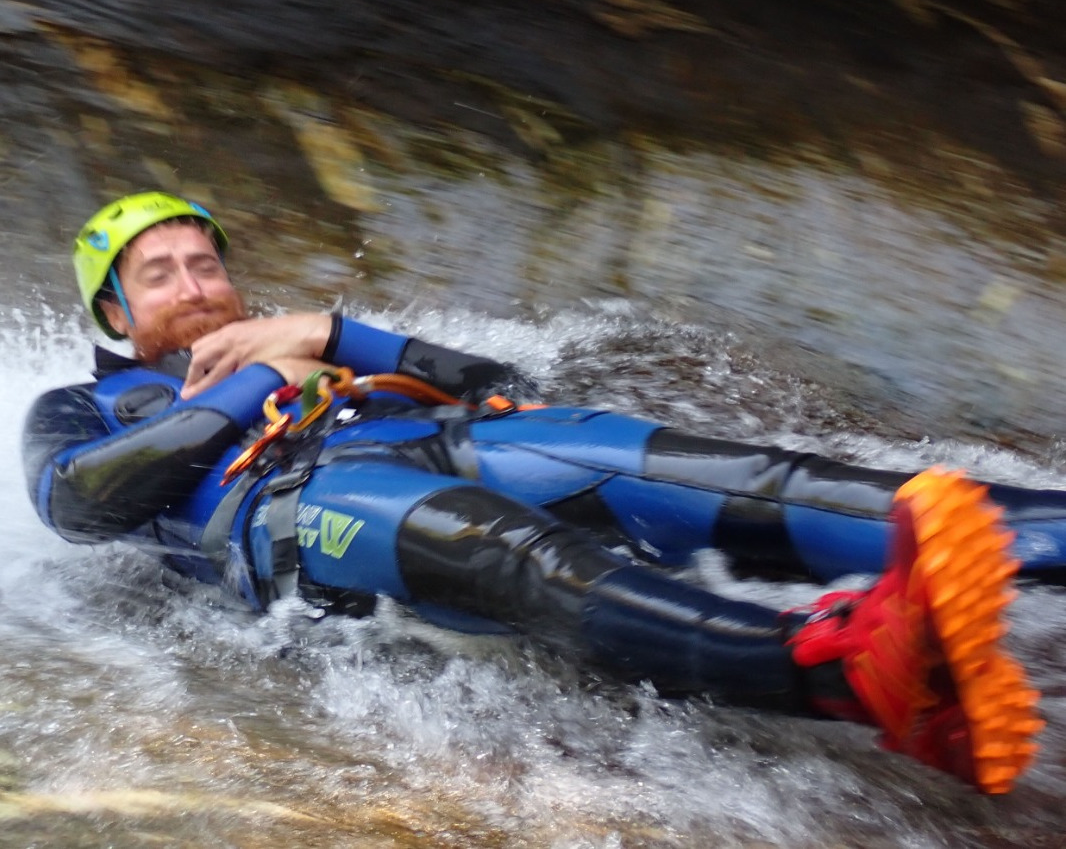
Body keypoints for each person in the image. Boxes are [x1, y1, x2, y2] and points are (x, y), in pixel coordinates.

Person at [22, 192, 1047, 794]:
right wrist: (262, 380)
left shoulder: (298, 341)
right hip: (295, 509)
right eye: (159, 274)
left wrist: (333, 337)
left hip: (447, 436)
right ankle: (844, 669)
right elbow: (78, 502)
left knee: (707, 471)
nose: (197, 285)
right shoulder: (83, 404)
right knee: (508, 554)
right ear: (114, 307)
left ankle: (1031, 533)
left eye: (206, 263)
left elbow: (499, 388)